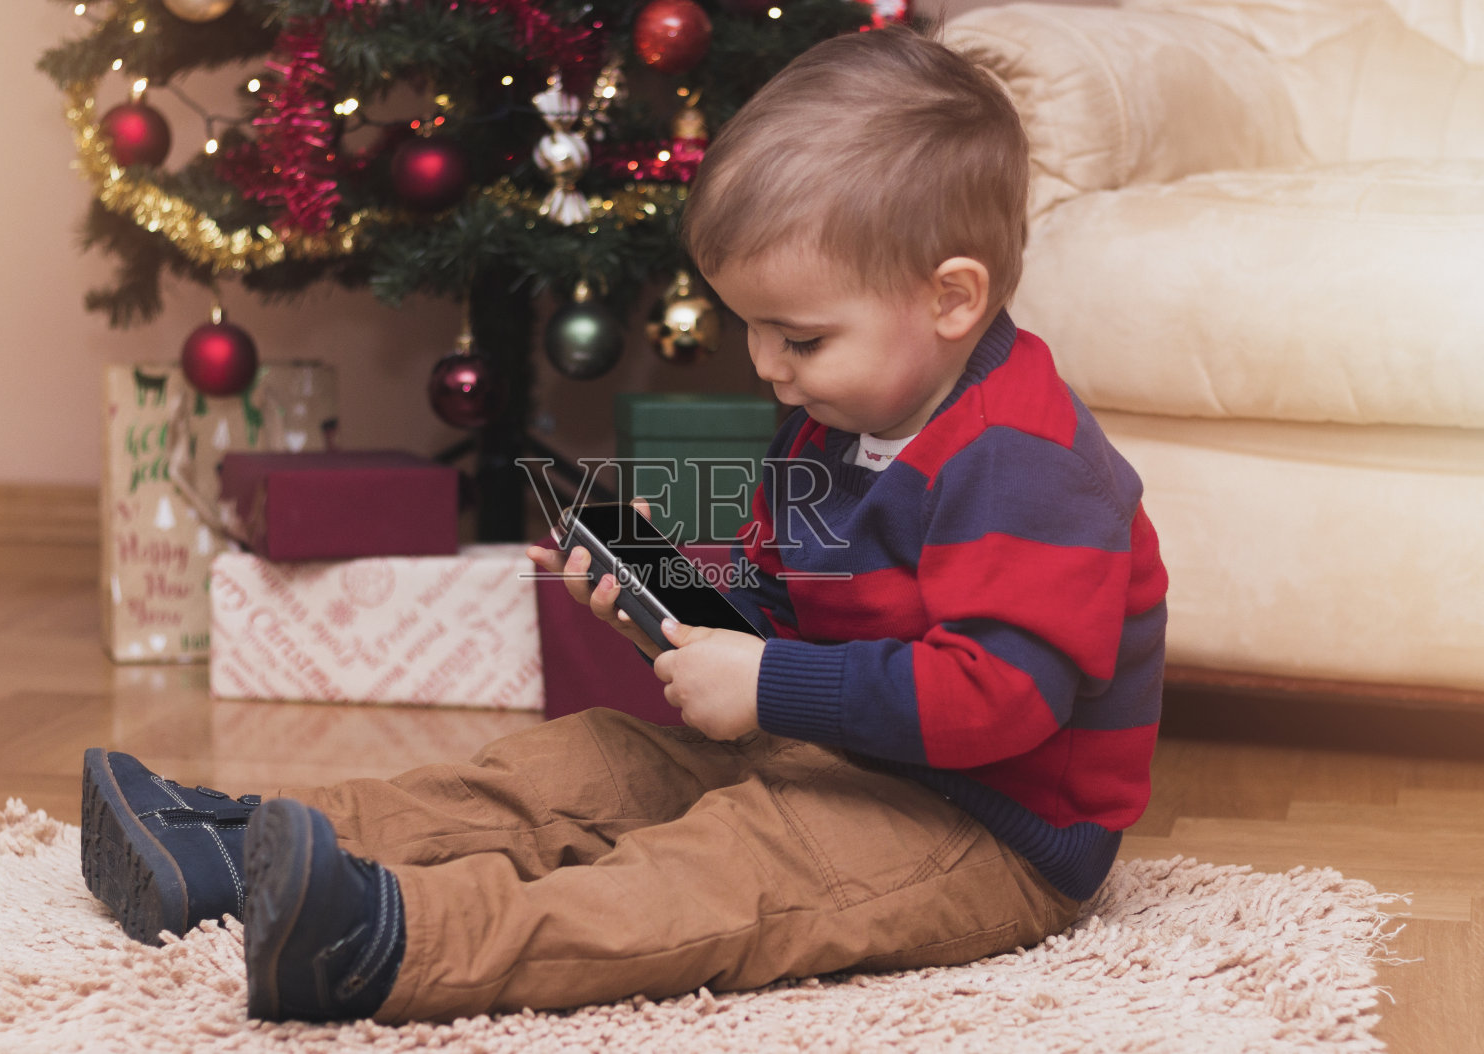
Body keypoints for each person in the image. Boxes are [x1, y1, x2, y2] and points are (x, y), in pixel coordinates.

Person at [80, 22, 1168, 1025]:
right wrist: (673, 593)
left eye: (799, 337)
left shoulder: (1029, 470)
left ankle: (393, 945)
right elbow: (786, 607)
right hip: (837, 744)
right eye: (752, 329)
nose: (766, 366)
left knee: (726, 870)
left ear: (950, 299)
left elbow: (1003, 701)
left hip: (985, 829)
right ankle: (232, 847)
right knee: (581, 767)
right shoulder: (843, 411)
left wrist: (767, 685)